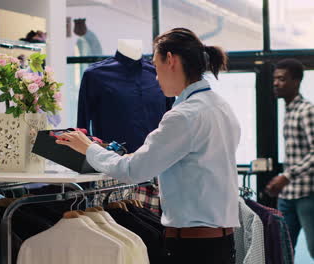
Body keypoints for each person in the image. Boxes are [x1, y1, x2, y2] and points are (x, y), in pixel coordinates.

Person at [57, 27, 239, 264]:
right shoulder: (221, 107)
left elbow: (133, 171)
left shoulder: (183, 115)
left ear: (170, 60)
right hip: (221, 242)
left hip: (193, 246)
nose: (154, 75)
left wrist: (88, 148)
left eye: (156, 64)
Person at [265, 58, 314, 259]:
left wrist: (286, 176)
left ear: (296, 81)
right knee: (284, 250)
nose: (276, 83)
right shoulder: (289, 110)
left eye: (282, 79)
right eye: (275, 78)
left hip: (307, 195)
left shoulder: (306, 111)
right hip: (287, 196)